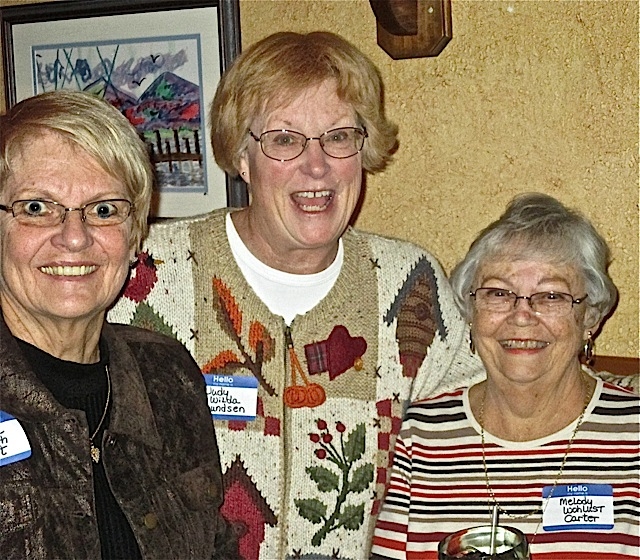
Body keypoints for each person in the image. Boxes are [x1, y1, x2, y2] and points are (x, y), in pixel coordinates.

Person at [107, 31, 484, 559]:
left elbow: (471, 446)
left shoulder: (409, 280)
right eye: (285, 140)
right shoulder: (147, 271)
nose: (317, 166)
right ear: (242, 156)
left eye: (338, 137)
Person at [0, 91, 238, 559]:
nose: (74, 236)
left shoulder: (166, 374)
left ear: (134, 238)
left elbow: (215, 547)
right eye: (36, 207)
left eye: (104, 209)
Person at [371, 193, 639, 559]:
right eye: (498, 293)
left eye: (551, 296)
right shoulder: (418, 436)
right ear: (470, 310)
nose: (522, 315)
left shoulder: (633, 434)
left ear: (590, 317)